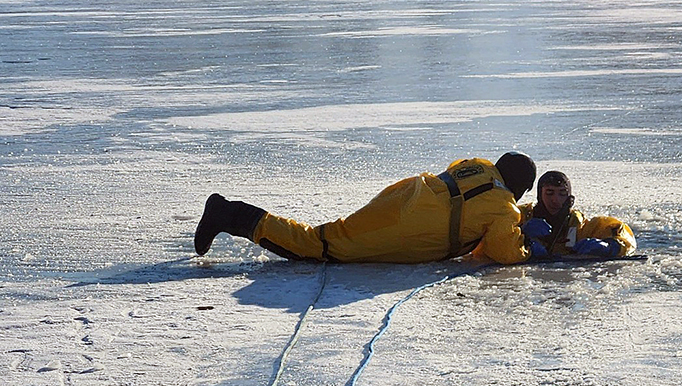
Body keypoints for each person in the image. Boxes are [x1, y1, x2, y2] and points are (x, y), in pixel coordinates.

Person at [194, 152, 537, 265]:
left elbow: (476, 202)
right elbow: (504, 251)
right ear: (519, 187)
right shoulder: (505, 209)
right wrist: (529, 246)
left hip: (407, 194)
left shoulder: (476, 165)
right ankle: (231, 214)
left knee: (334, 234)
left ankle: (232, 214)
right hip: (410, 223)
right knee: (322, 245)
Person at [519, 170, 636, 259]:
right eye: (549, 193)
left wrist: (609, 247)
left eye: (562, 193)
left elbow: (626, 237)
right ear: (540, 195)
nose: (556, 199)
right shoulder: (520, 215)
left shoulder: (578, 224)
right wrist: (520, 233)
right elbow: (500, 232)